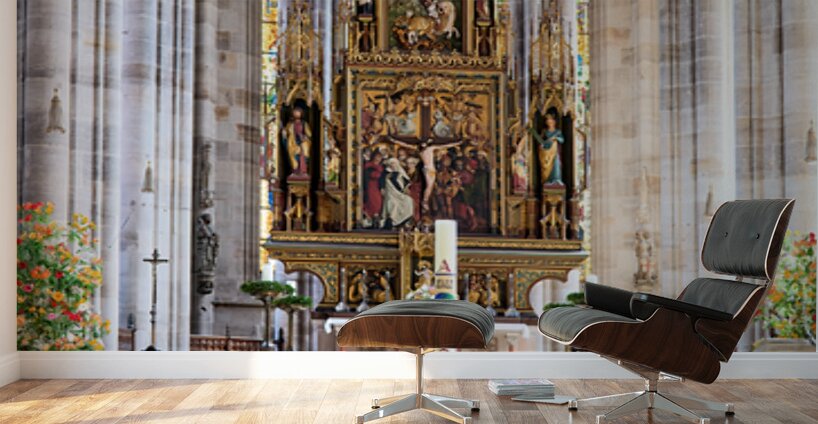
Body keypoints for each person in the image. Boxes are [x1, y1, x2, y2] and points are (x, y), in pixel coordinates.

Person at [529, 112, 564, 185]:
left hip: (554, 152)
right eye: (547, 121)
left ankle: (556, 180)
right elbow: (541, 140)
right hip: (546, 151)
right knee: (546, 166)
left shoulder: (558, 131)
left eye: (550, 120)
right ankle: (548, 180)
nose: (549, 122)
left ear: (554, 122)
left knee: (556, 166)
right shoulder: (544, 131)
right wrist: (541, 145)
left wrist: (555, 138)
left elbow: (562, 140)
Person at [380, 157, 415, 228]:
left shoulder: (400, 171)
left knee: (409, 200)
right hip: (391, 194)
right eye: (392, 163)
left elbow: (407, 181)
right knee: (393, 205)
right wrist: (382, 188)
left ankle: (404, 220)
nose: (393, 165)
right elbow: (389, 183)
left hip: (400, 194)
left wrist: (405, 188)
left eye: (395, 163)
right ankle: (392, 222)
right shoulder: (386, 172)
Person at [283, 107, 311, 175]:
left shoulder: (304, 123)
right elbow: (286, 132)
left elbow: (309, 134)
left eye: (298, 112)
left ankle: (303, 171)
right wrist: (284, 133)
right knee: (294, 156)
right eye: (295, 112)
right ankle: (294, 170)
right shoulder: (290, 124)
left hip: (302, 142)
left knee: (303, 156)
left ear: (301, 114)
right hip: (293, 143)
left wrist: (304, 137)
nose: (296, 114)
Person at [363, 150, 384, 223]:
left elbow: (382, 178)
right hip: (370, 186)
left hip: (377, 187)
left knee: (378, 202)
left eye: (380, 157)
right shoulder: (369, 166)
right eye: (377, 157)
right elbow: (371, 175)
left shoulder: (381, 166)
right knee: (372, 201)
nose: (378, 159)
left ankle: (376, 217)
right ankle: (370, 217)